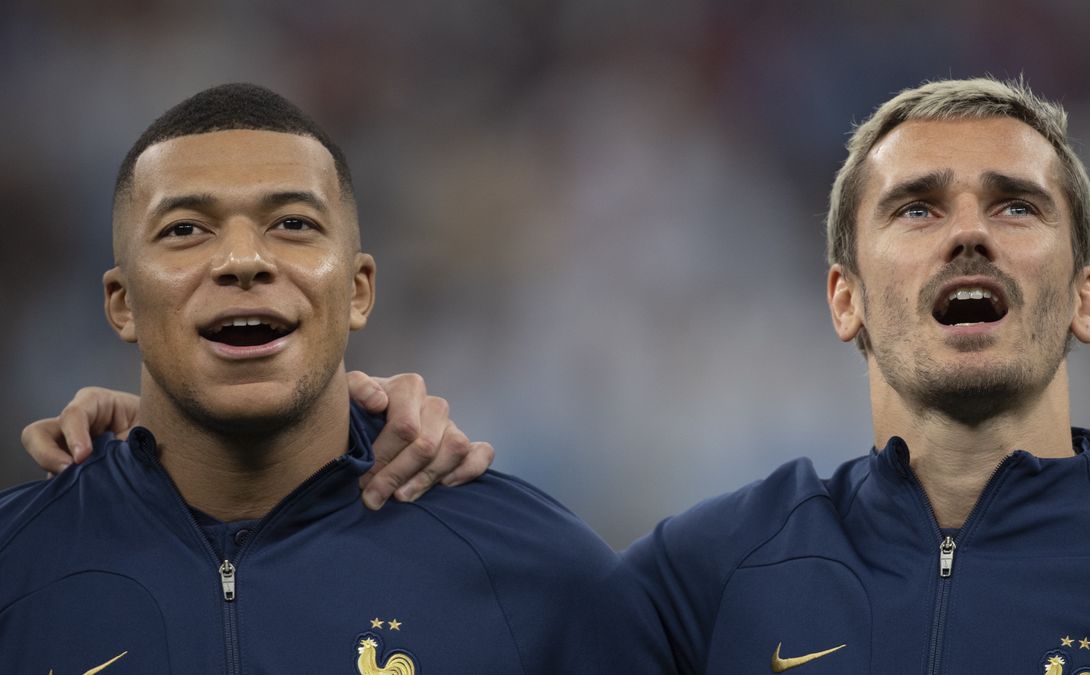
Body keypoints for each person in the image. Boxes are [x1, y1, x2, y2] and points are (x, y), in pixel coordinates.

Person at [25, 77, 1090, 673]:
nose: (969, 234)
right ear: (841, 298)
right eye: (917, 205)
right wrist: (155, 450)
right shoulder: (700, 578)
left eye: (1015, 204)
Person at [0, 83, 671, 674]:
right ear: (122, 302)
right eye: (186, 229)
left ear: (357, 290)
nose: (242, 259)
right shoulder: (18, 563)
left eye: (292, 223)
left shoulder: (540, 577)